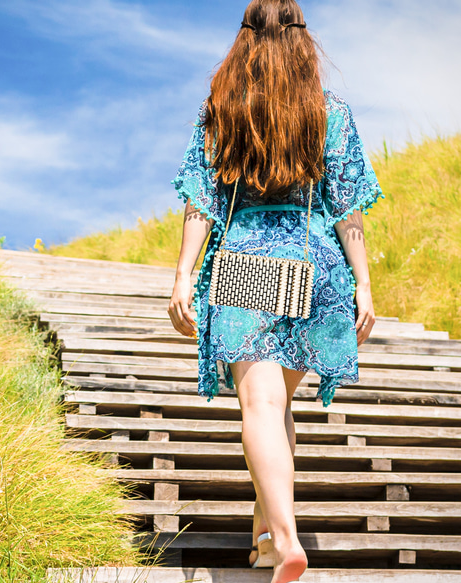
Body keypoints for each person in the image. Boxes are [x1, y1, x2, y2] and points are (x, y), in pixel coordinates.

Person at [167, 1, 383, 582]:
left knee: (260, 406)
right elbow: (348, 207)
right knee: (277, 406)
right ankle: (264, 538)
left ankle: (283, 535)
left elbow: (202, 201)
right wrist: (363, 282)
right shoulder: (330, 113)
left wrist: (184, 272)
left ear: (244, 41)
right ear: (303, 42)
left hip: (247, 262)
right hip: (316, 266)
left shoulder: (222, 110)